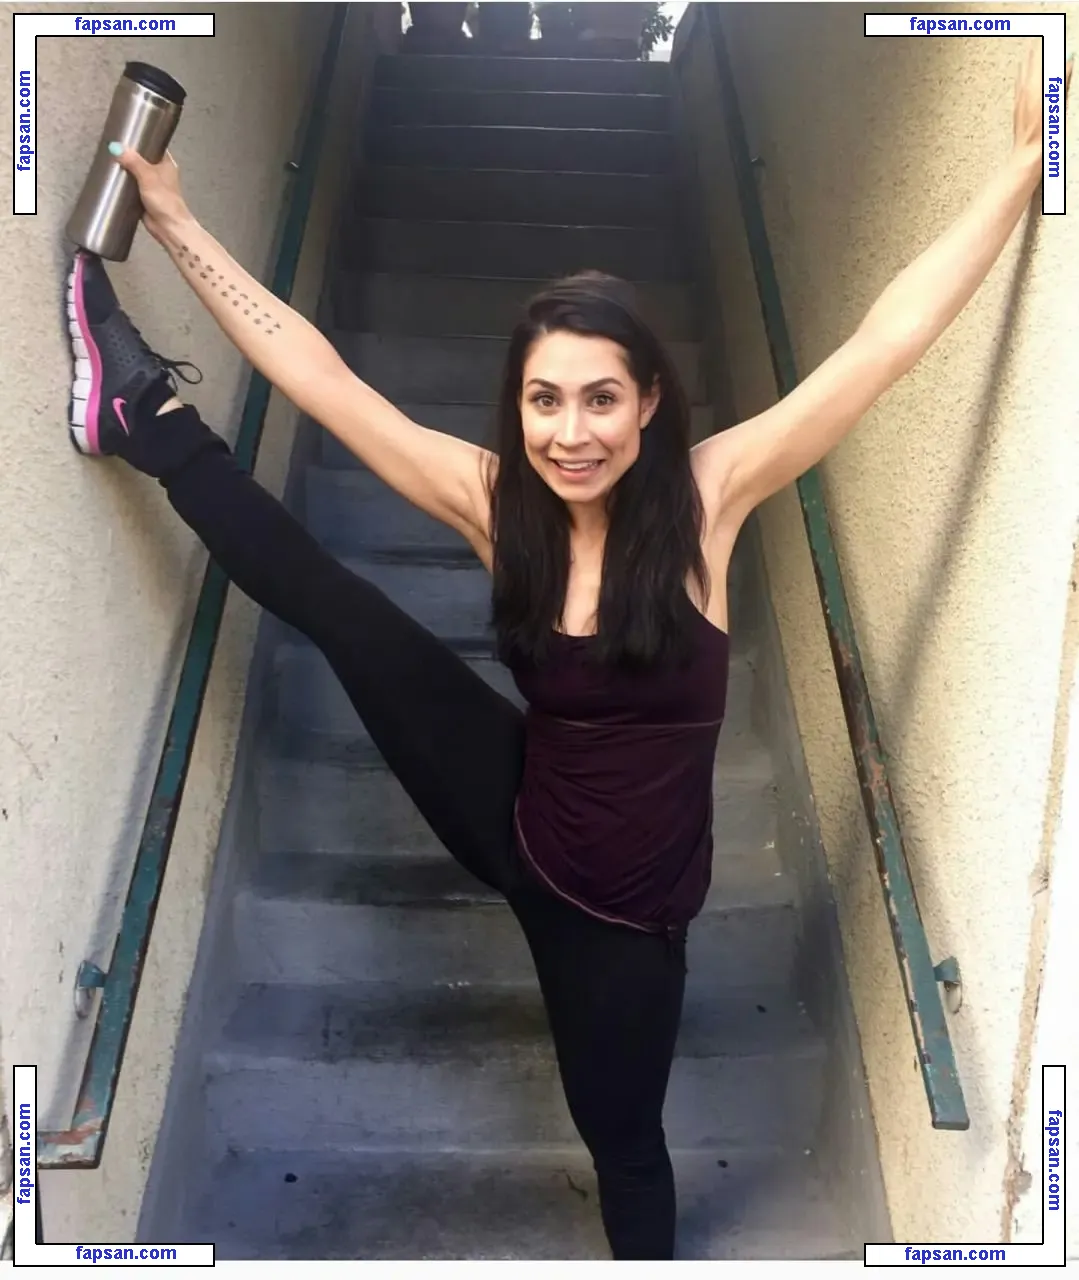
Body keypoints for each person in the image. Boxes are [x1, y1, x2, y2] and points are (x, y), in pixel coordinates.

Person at [64, 46, 1064, 1259]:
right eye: (544, 399)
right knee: (343, 609)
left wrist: (1022, 169)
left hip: (620, 921)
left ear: (648, 402)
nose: (569, 430)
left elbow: (881, 342)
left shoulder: (709, 498)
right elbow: (320, 376)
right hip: (518, 807)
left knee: (624, 1141)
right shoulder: (498, 502)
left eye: (599, 397)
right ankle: (146, 415)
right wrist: (175, 225)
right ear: (518, 404)